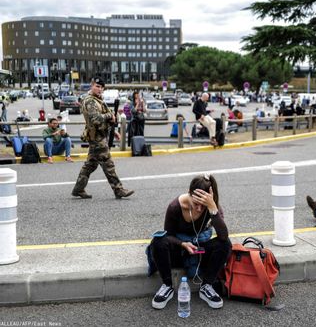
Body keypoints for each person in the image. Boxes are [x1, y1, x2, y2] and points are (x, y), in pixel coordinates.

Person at [150, 174, 231, 310]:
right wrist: (182, 244)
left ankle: (207, 286)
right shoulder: (175, 206)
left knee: (225, 244)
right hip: (179, 251)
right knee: (158, 241)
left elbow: (223, 236)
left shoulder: (212, 206)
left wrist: (212, 208)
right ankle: (167, 286)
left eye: (203, 205)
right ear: (189, 193)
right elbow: (168, 236)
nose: (199, 209)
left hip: (199, 252)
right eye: (195, 204)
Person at [71, 76, 134, 199]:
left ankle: (78, 189)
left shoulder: (97, 100)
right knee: (108, 164)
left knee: (90, 165)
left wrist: (113, 130)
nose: (100, 89)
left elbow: (102, 120)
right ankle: (118, 189)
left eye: (102, 88)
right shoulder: (90, 101)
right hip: (97, 138)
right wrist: (109, 115)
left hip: (99, 136)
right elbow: (95, 119)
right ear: (92, 86)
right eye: (97, 86)